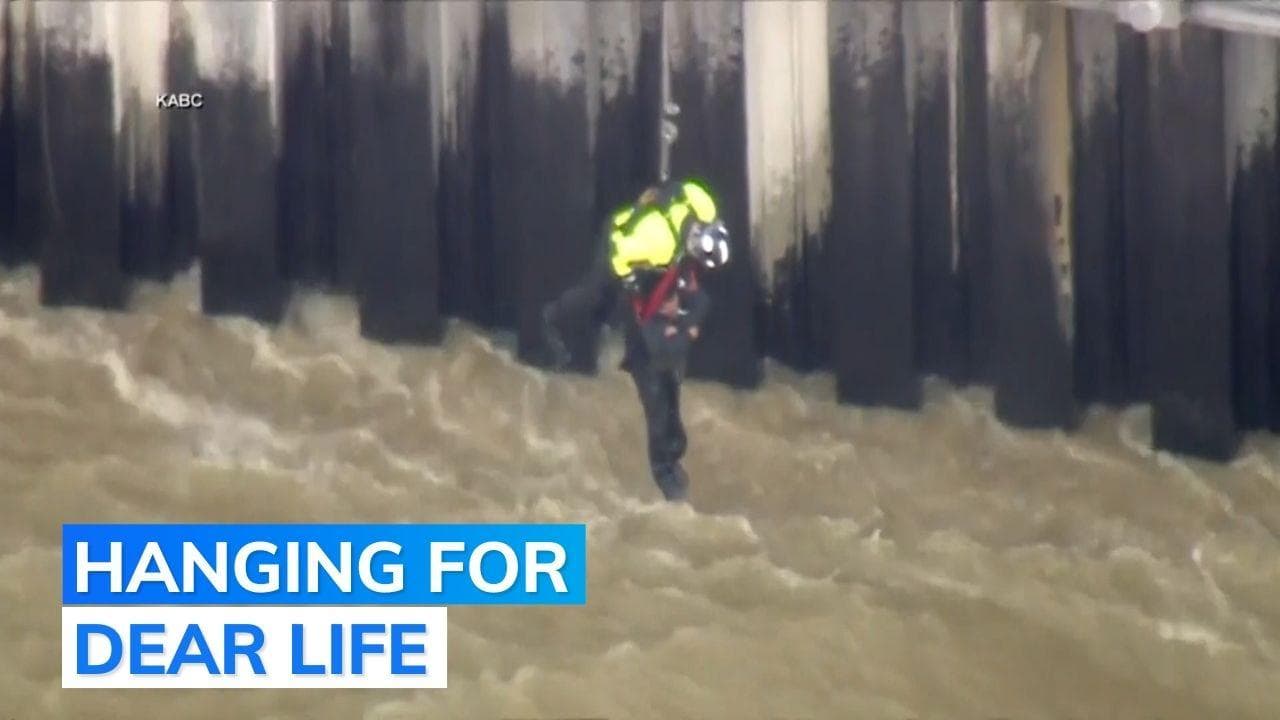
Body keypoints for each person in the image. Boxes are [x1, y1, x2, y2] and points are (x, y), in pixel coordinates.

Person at [541, 178, 731, 502]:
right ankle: (554, 318)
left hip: (652, 231)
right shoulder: (657, 243)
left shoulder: (704, 208)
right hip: (620, 241)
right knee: (595, 293)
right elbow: (620, 256)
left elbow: (682, 187)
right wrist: (630, 285)